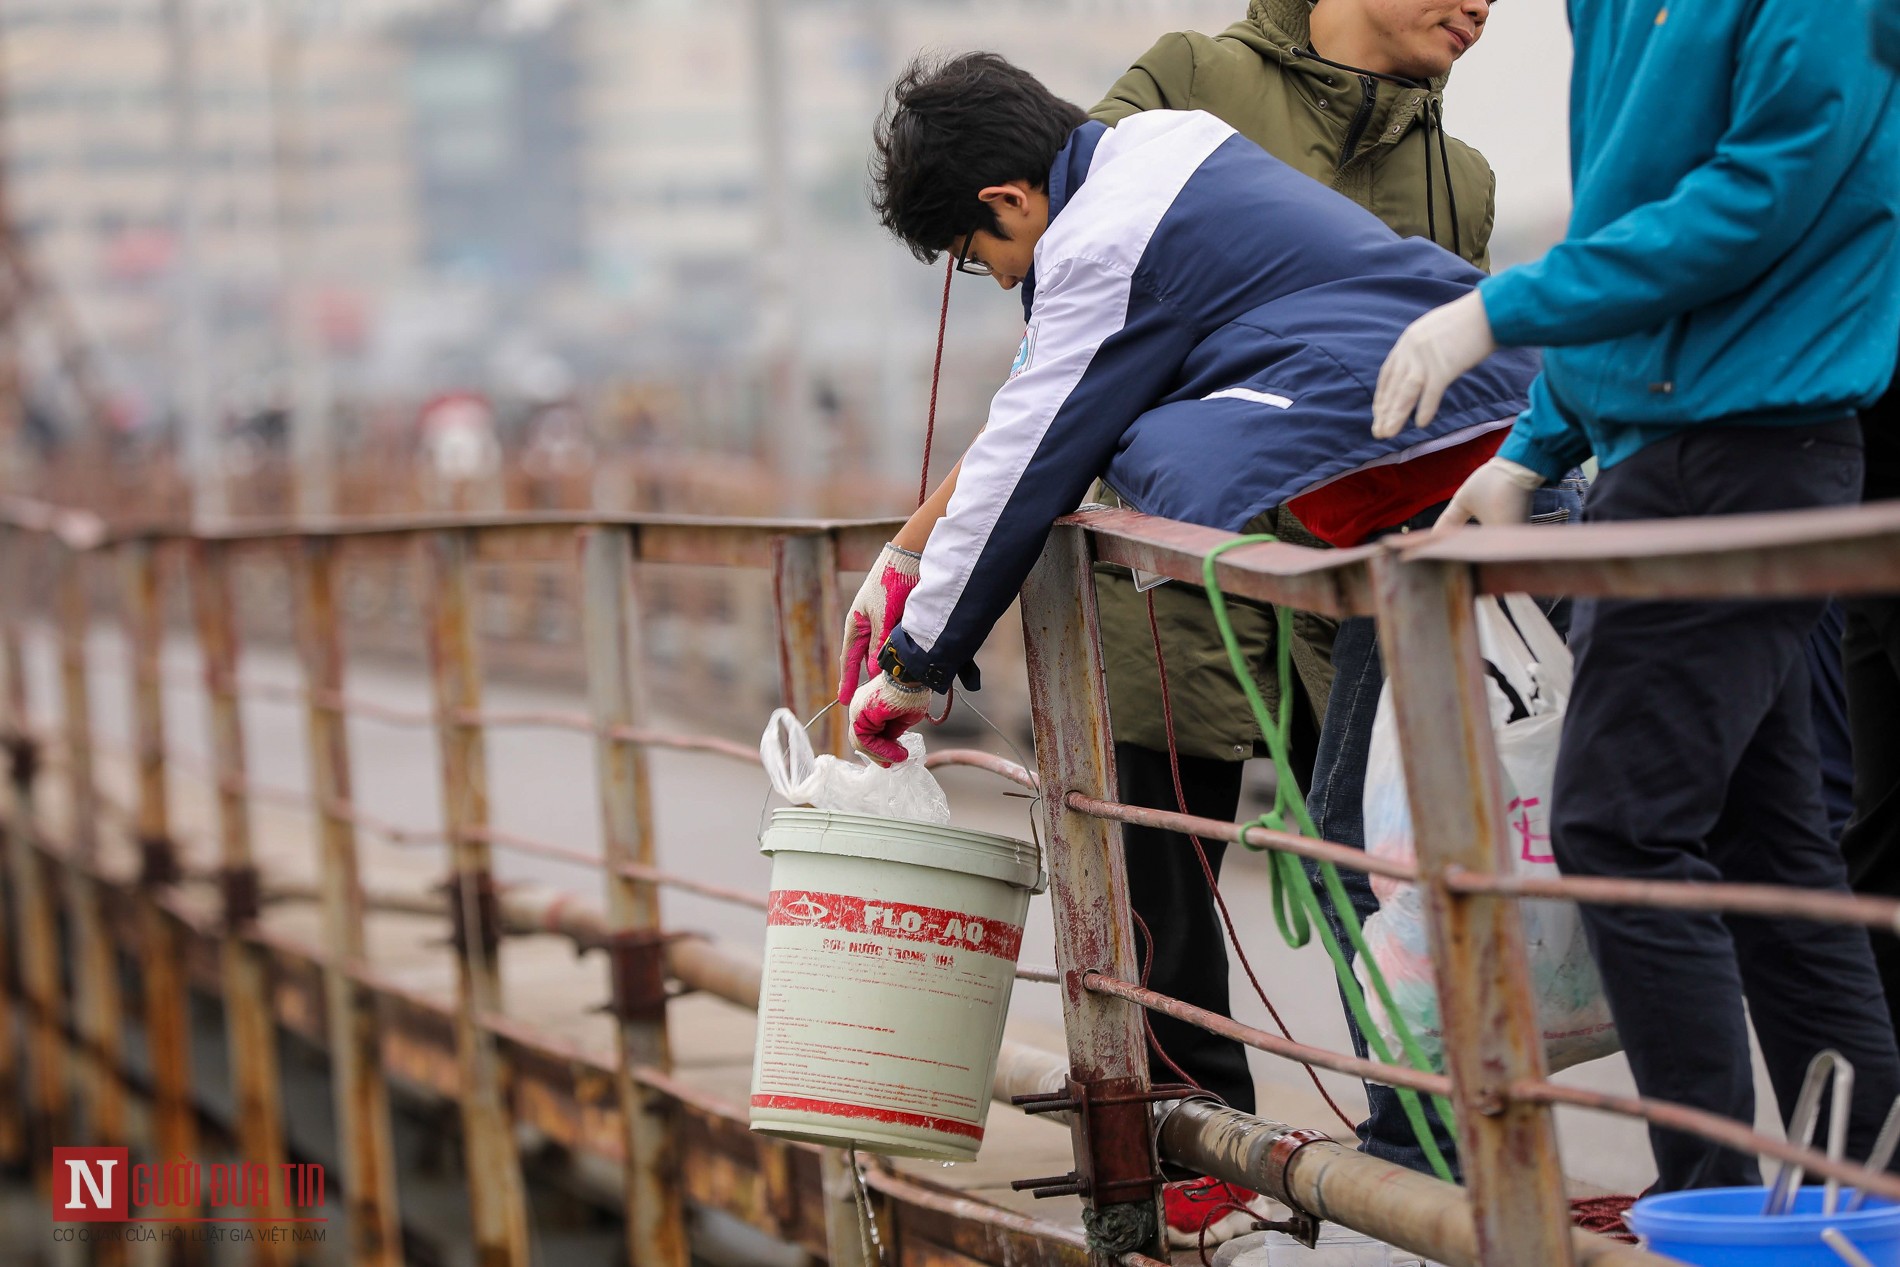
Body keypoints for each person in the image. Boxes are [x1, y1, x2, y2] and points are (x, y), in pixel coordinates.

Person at [842, 47, 1559, 1219]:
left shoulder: (1101, 237)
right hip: (1430, 515)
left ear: (1008, 202)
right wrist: (915, 564)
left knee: (1496, 837)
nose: (1006, 279)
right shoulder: (1159, 158)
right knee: (1357, 830)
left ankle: (1448, 1166)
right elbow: (1047, 402)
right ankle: (1428, 1157)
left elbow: (1032, 441)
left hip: (1479, 498)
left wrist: (915, 665)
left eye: (986, 261)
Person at [1373, 0, 1900, 1190]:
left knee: (1620, 827)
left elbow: (1757, 197)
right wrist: (1532, 446)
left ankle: (1710, 1195)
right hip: (1668, 452)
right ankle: (1861, 1193)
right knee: (1766, 848)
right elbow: (1628, 224)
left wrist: (1497, 311)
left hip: (1749, 445)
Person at [1079, 0, 1506, 1213]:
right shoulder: (1187, 77)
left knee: (1396, 876)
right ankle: (1191, 1164)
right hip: (1176, 557)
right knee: (1158, 877)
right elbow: (1071, 291)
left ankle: (1421, 1166)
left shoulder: (1458, 175)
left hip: (1358, 586)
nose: (1482, 5)